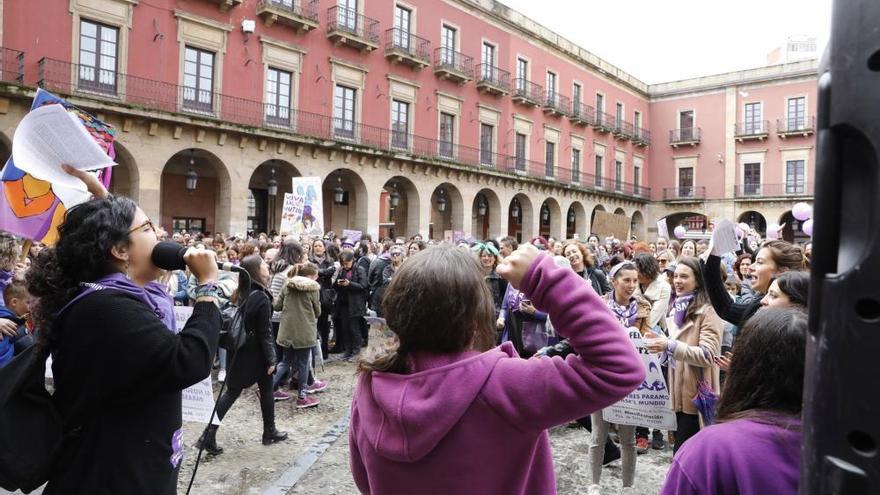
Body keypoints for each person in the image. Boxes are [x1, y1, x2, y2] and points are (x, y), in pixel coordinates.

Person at [349, 245, 645, 494]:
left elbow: (365, 480)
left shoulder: (371, 384)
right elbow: (620, 366)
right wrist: (545, 278)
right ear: (476, 318)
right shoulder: (504, 384)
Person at [27, 167, 222, 493]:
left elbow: (122, 240)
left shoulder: (118, 296)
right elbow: (187, 360)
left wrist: (106, 200)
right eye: (148, 228)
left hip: (130, 466)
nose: (159, 236)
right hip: (109, 476)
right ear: (118, 250)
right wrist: (208, 288)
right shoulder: (108, 308)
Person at [661, 308, 806, 495]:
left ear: (742, 361)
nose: (763, 301)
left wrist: (670, 346)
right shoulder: (837, 448)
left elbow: (707, 353)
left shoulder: (710, 450)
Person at [200, 255, 287, 455]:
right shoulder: (261, 297)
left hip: (239, 350)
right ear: (256, 270)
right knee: (233, 392)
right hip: (254, 354)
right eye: (264, 264)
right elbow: (265, 332)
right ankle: (208, 435)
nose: (267, 266)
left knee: (260, 390)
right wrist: (272, 359)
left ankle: (269, 431)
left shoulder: (241, 292)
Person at [645, 257, 723, 453]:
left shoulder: (709, 311)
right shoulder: (677, 309)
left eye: (684, 277)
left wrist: (669, 345)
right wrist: (661, 344)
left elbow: (708, 355)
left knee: (685, 454)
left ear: (698, 280)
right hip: (677, 393)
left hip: (698, 395)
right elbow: (674, 350)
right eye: (675, 276)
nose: (677, 281)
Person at [588, 262, 651, 495]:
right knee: (598, 434)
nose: (632, 285)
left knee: (628, 438)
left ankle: (627, 486)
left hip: (629, 381)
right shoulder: (599, 306)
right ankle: (594, 483)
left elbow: (647, 340)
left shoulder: (643, 308)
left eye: (635, 281)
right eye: (626, 280)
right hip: (602, 377)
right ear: (613, 281)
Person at [704, 240, 806, 328]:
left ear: (782, 271)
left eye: (760, 262)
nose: (750, 267)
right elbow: (728, 309)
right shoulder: (761, 299)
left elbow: (727, 309)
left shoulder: (790, 320)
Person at [632, 253, 672, 451]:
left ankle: (657, 431)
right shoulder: (635, 284)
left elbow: (652, 319)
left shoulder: (664, 287)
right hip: (634, 341)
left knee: (657, 384)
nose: (635, 275)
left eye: (638, 271)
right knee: (639, 386)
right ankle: (641, 434)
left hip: (655, 340)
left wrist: (636, 317)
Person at [273, 262, 326, 409]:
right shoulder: (313, 289)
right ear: (310, 276)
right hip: (305, 331)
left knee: (285, 362)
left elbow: (277, 306)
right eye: (316, 276)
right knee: (303, 363)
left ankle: (269, 389)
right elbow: (318, 312)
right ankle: (302, 396)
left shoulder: (287, 285)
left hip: (287, 330)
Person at [334, 250, 368, 361]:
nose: (345, 265)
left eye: (347, 263)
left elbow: (363, 286)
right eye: (343, 263)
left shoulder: (359, 269)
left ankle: (356, 351)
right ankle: (347, 351)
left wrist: (350, 284)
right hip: (343, 304)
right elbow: (335, 286)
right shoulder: (341, 270)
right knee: (345, 328)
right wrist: (338, 283)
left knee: (354, 328)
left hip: (355, 304)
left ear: (352, 260)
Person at [473, 241, 508, 334]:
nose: (486, 258)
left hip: (495, 319)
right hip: (477, 318)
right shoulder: (474, 276)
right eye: (484, 256)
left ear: (495, 258)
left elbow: (505, 299)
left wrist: (501, 317)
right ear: (479, 258)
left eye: (490, 256)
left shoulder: (501, 276)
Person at [310, 238, 336, 359]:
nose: (318, 248)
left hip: (325, 297)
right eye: (316, 246)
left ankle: (324, 351)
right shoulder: (309, 260)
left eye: (320, 246)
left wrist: (317, 272)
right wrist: (322, 272)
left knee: (324, 325)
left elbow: (330, 273)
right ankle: (313, 352)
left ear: (324, 248)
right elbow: (309, 273)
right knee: (312, 325)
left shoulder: (330, 261)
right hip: (312, 295)